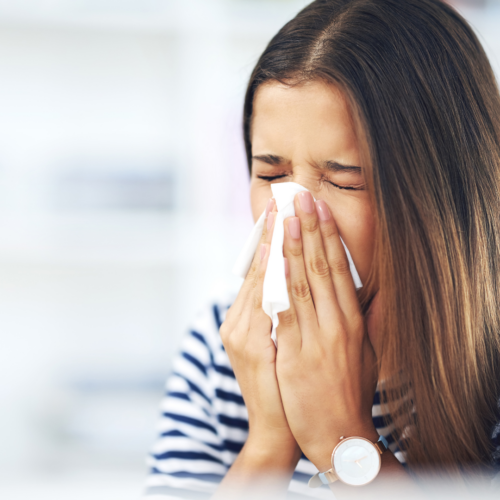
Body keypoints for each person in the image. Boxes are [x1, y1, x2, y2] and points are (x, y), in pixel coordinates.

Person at [143, 0, 500, 498]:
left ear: (443, 193)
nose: (294, 213)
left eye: (345, 181)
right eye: (270, 174)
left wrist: (344, 438)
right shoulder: (221, 348)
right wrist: (270, 442)